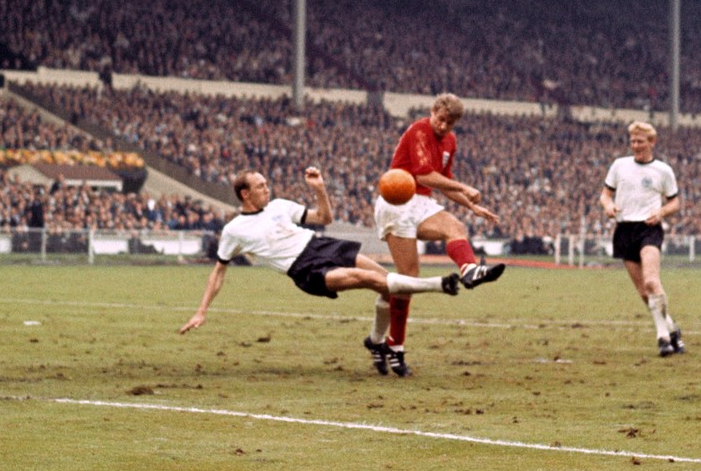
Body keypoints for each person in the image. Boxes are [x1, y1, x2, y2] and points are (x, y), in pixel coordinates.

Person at [179, 167, 459, 362]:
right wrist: (201, 311)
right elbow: (218, 272)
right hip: (305, 269)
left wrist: (320, 190)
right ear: (245, 194)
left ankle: (375, 341)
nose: (267, 188)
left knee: (387, 285)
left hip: (321, 245)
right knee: (365, 278)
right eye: (260, 186)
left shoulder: (280, 205)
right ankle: (439, 285)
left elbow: (324, 218)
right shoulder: (234, 230)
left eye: (266, 184)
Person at [373, 93, 504, 377]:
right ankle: (394, 347)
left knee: (456, 227)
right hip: (396, 203)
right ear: (432, 111)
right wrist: (467, 188)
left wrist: (472, 205)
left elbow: (442, 183)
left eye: (449, 123)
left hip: (420, 203)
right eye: (440, 119)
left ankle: (469, 270)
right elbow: (423, 175)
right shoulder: (418, 130)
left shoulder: (450, 142)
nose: (443, 126)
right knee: (407, 281)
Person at [599, 121, 685, 357]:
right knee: (643, 292)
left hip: (649, 229)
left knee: (651, 281)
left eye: (640, 141)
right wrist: (608, 206)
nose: (636, 145)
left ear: (652, 142)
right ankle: (671, 327)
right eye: (633, 141)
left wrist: (661, 213)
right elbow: (605, 195)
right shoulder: (619, 166)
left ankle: (662, 338)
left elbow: (675, 202)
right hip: (625, 230)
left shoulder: (663, 170)